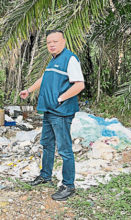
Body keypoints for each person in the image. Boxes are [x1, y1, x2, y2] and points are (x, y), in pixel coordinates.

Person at [20, 30, 85, 201]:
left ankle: (69, 186)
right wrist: (29, 90)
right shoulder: (53, 61)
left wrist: (61, 98)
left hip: (61, 112)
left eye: (55, 41)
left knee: (64, 149)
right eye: (49, 42)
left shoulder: (70, 59)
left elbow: (79, 85)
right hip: (49, 111)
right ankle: (45, 175)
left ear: (63, 41)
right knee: (47, 144)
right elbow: (44, 78)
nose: (52, 45)